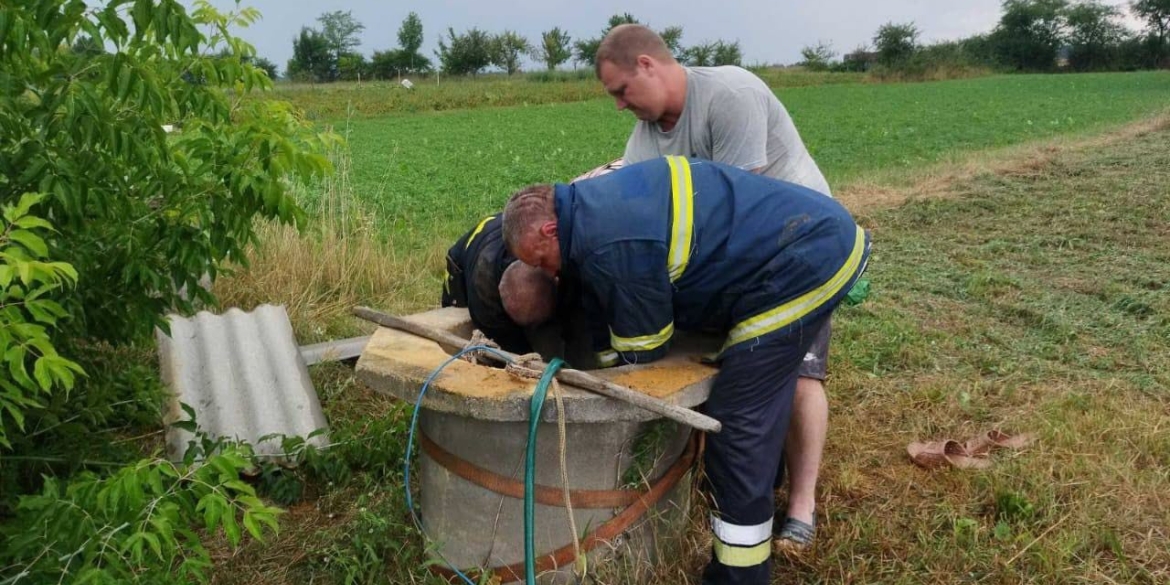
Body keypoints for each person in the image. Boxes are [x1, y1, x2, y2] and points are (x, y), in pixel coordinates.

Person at [501, 157, 870, 585]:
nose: (550, 273)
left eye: (542, 260)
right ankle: (766, 487)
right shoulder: (593, 205)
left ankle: (740, 573)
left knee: (736, 423)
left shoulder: (609, 243)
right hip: (802, 240)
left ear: (549, 229)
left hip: (803, 262)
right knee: (760, 387)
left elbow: (647, 344)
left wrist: (606, 357)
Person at [596, 23, 833, 549]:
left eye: (620, 91)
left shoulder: (730, 96)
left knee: (795, 373)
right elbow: (633, 194)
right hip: (737, 261)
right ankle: (745, 475)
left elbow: (730, 209)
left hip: (800, 248)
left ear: (647, 66)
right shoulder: (649, 129)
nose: (618, 105)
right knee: (729, 365)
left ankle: (801, 505)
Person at [442, 214, 555, 354]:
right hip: (461, 264)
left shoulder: (543, 253)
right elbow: (508, 349)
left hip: (506, 226)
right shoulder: (483, 298)